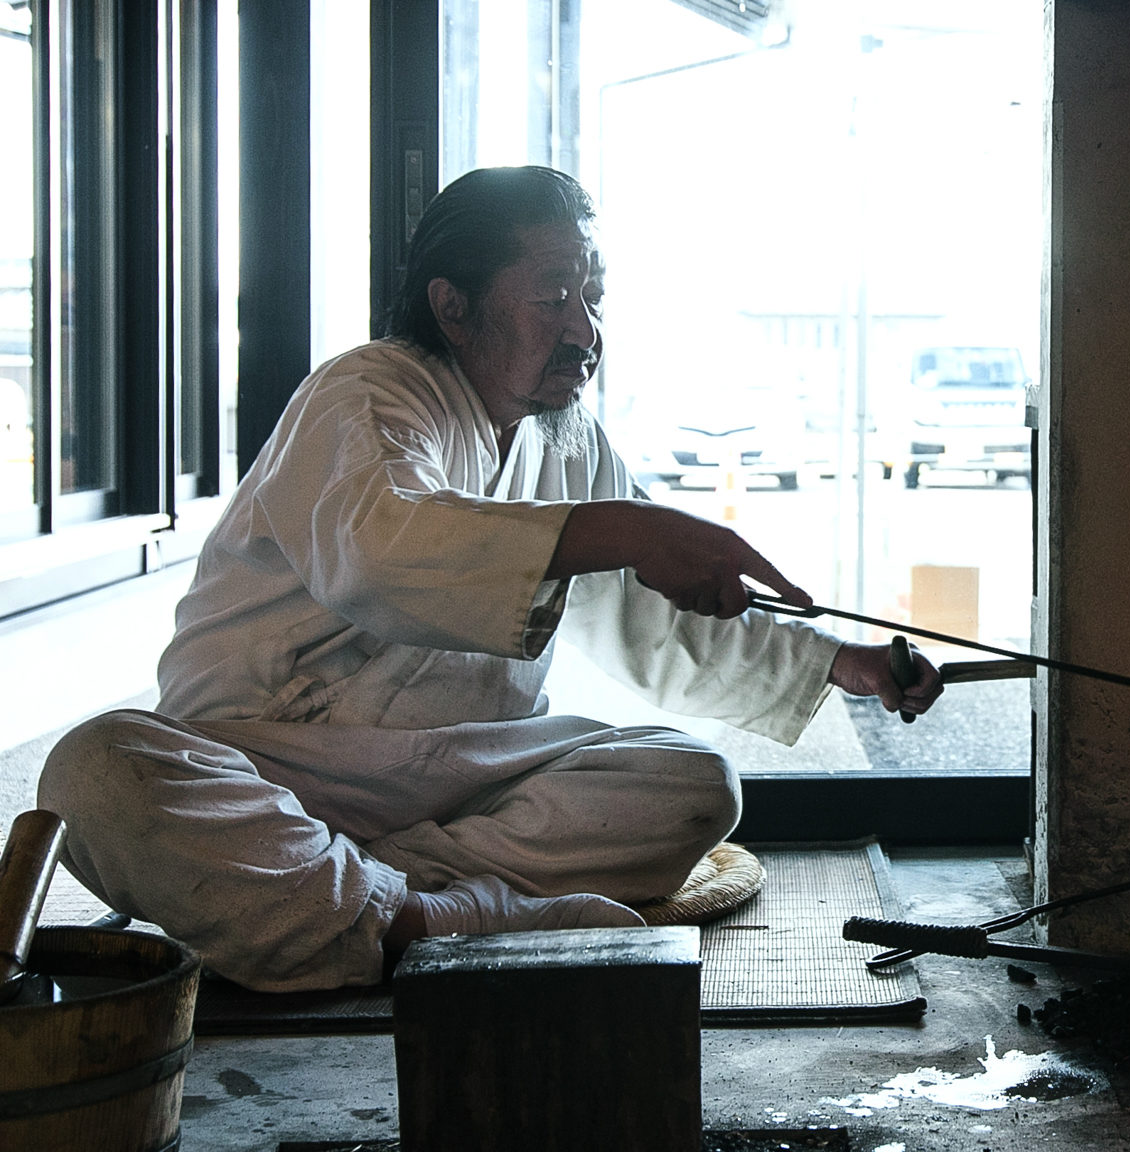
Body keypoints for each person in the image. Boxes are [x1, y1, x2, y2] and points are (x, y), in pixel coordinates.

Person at [37, 165, 941, 992]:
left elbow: (652, 616)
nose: (585, 331)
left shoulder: (565, 438)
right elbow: (383, 553)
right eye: (554, 298)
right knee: (95, 772)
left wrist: (836, 662)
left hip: (465, 776)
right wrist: (629, 526)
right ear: (454, 307)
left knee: (696, 782)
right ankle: (448, 907)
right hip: (271, 765)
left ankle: (366, 903)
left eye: (592, 298)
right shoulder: (367, 395)